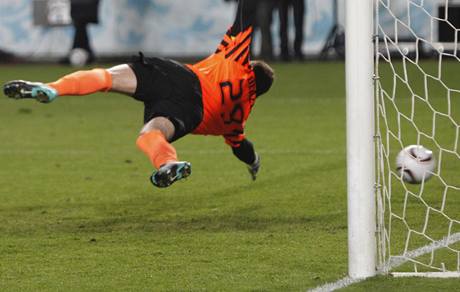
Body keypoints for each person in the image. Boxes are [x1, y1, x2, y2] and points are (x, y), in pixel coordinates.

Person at [3, 0, 275, 189]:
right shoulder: (239, 118)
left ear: (251, 69)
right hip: (191, 113)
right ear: (259, 94)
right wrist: (254, 163)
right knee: (150, 134)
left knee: (107, 78)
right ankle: (168, 163)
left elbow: (245, 15)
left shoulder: (238, 63)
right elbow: (242, 148)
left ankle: (53, 88)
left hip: (180, 77)